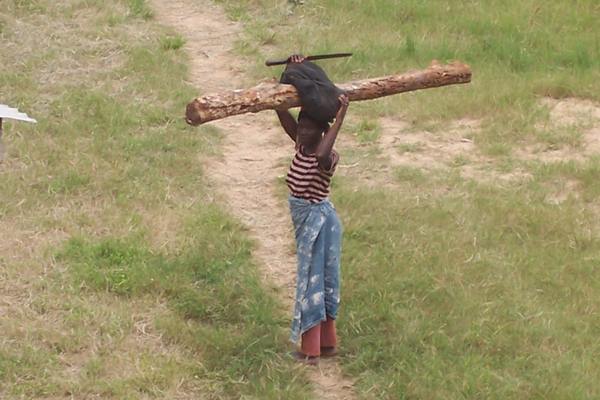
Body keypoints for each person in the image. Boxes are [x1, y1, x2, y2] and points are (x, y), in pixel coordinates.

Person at [275, 54, 349, 365]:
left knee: (314, 281)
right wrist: (293, 69)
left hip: (320, 223)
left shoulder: (325, 156)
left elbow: (321, 156)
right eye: (302, 126)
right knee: (320, 279)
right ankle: (327, 344)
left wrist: (340, 118)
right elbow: (282, 113)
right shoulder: (302, 146)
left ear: (322, 132)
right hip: (309, 221)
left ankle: (311, 351)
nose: (302, 132)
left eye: (309, 128)